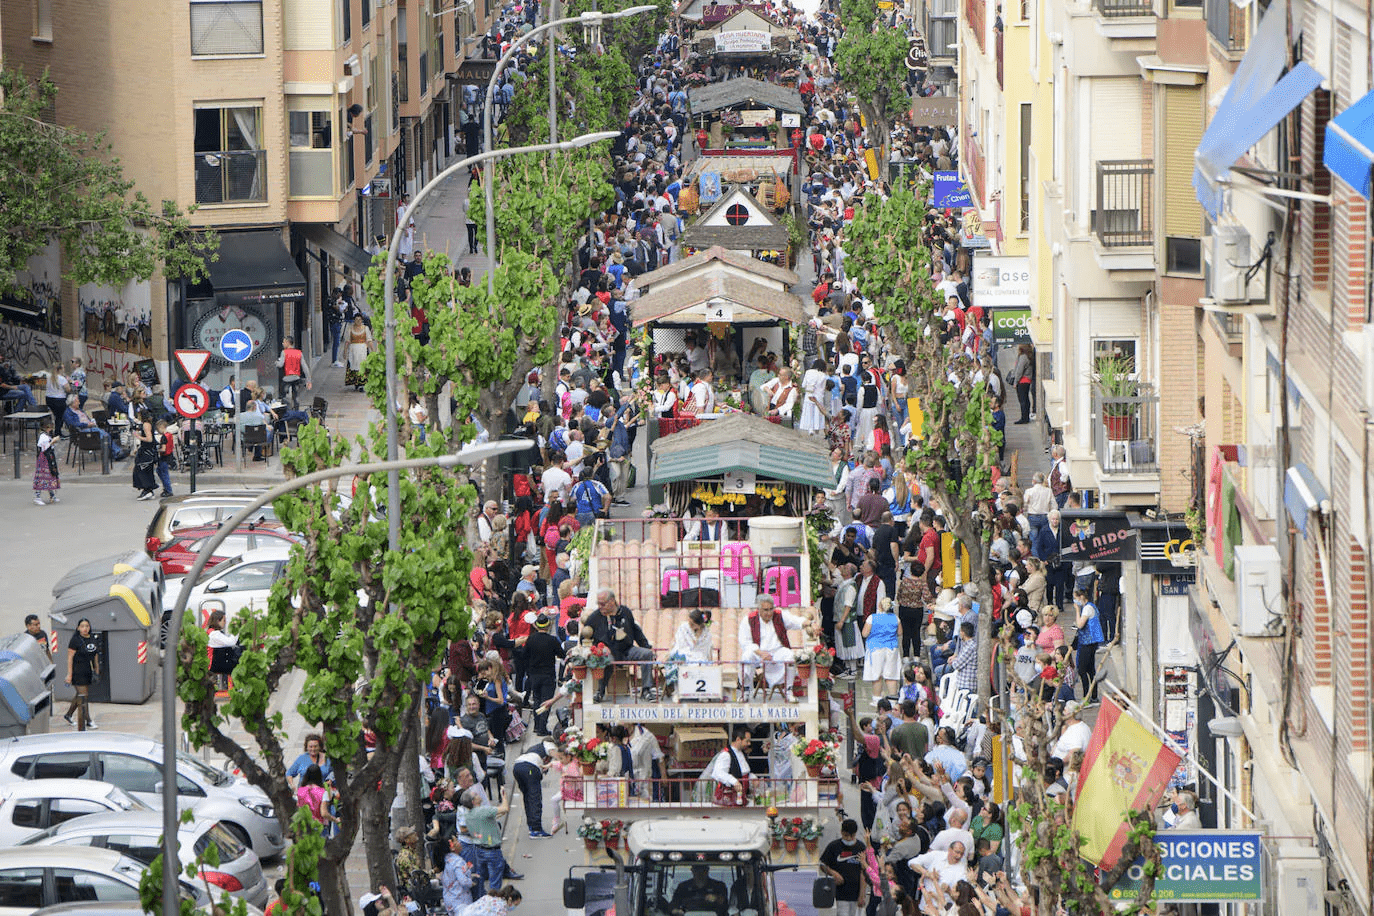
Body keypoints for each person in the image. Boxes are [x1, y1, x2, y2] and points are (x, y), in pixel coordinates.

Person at [583, 589, 655, 703]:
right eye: (598, 604)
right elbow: (585, 637)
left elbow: (636, 630)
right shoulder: (595, 617)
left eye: (603, 604)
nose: (600, 607)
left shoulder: (625, 612)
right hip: (607, 652)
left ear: (612, 601)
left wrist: (645, 645)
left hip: (626, 650)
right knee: (606, 660)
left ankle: (646, 690)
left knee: (646, 654)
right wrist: (598, 647)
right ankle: (600, 691)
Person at [738, 596, 808, 692]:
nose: (769, 613)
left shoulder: (779, 615)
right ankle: (745, 691)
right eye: (766, 610)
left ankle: (788, 690)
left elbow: (796, 621)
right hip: (758, 655)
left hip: (777, 653)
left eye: (771, 609)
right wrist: (760, 653)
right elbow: (745, 642)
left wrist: (810, 623)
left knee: (789, 655)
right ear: (758, 610)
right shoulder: (748, 620)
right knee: (746, 656)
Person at [819, 818, 868, 916]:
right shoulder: (834, 846)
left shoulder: (861, 847)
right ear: (841, 832)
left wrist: (862, 895)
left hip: (857, 893)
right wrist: (833, 873)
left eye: (852, 836)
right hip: (841, 894)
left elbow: (864, 872)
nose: (849, 838)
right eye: (846, 836)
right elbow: (822, 864)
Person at [861, 597, 902, 705]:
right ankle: (893, 701)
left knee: (877, 674)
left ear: (879, 606)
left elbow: (864, 633)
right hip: (891, 648)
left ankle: (877, 699)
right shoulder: (895, 618)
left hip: (875, 648)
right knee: (891, 674)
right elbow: (899, 633)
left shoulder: (872, 618)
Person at [63, 618, 100, 730]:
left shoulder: (92, 639)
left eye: (87, 626)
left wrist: (96, 670)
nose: (85, 628)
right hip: (77, 671)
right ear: (78, 628)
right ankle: (88, 720)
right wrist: (69, 674)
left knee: (80, 696)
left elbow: (95, 655)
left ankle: (68, 715)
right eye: (82, 626)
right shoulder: (75, 640)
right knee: (84, 696)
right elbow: (70, 658)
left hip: (87, 671)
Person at [511, 741, 552, 838]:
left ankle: (531, 826)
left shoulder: (533, 749)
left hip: (517, 767)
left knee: (527, 797)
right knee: (534, 798)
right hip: (529, 769)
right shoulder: (548, 747)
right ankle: (536, 830)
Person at [1072, 588, 1105, 703]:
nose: (1075, 601)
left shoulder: (1087, 608)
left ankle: (1087, 695)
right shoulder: (1090, 607)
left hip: (1088, 642)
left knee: (1082, 669)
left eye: (1076, 598)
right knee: (1090, 669)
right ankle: (1094, 695)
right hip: (1090, 641)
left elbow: (1080, 624)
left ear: (1081, 597)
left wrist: (1077, 610)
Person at [709, 726, 753, 807]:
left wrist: (754, 779)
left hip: (740, 797)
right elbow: (719, 773)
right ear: (738, 739)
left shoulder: (742, 753)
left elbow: (744, 771)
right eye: (747, 741)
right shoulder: (726, 754)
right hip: (728, 798)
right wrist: (734, 781)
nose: (749, 744)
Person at [442, 833, 477, 916]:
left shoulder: (445, 859)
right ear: (452, 847)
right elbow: (463, 881)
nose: (459, 843)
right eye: (456, 841)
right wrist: (472, 883)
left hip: (449, 901)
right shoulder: (458, 862)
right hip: (461, 900)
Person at [277, 336, 312, 409]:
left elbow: (280, 365)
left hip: (286, 378)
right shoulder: (299, 353)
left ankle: (286, 410)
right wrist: (309, 380)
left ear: (287, 342)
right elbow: (305, 367)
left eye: (284, 342)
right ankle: (296, 411)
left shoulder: (284, 352)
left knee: (284, 396)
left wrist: (276, 362)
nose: (283, 343)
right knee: (296, 396)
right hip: (296, 378)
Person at [131, 408, 159, 500]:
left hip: (147, 451)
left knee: (141, 470)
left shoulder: (146, 425)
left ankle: (147, 489)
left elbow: (149, 439)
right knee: (146, 470)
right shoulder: (148, 424)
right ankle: (149, 490)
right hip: (148, 450)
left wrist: (138, 436)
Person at [32, 416, 60, 506]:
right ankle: (37, 496)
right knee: (42, 477)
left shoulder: (47, 435)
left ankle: (52, 495)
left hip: (49, 457)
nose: (51, 429)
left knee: (50, 476)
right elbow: (44, 448)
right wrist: (52, 442)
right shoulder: (42, 436)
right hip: (44, 459)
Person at [346, 314, 376, 390]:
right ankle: (356, 383)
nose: (358, 321)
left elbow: (369, 340)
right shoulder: (350, 329)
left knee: (363, 366)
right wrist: (345, 351)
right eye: (356, 320)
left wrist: (373, 350)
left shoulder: (365, 329)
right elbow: (347, 341)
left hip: (363, 350)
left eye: (360, 320)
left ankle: (363, 383)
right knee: (354, 365)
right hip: (353, 350)